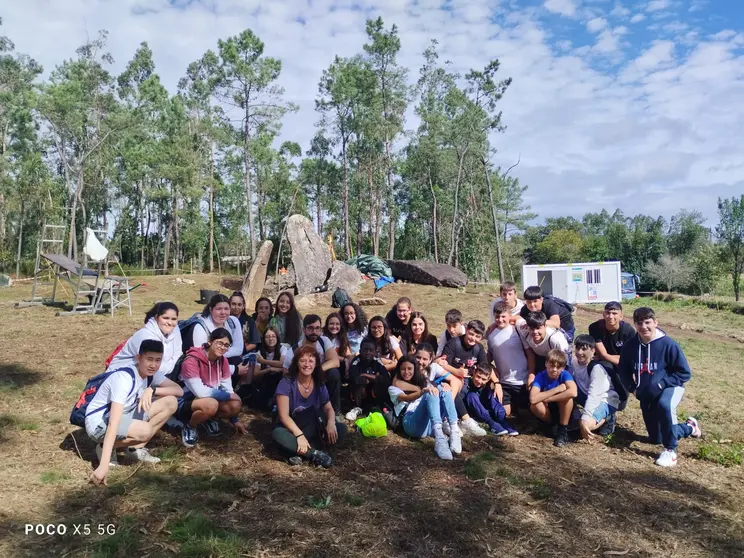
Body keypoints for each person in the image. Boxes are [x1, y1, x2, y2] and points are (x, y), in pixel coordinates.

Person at [87, 340, 182, 485]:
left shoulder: (151, 374)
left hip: (125, 414)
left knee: (171, 402)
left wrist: (152, 390)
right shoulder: (124, 379)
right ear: (138, 358)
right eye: (149, 359)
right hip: (100, 423)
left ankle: (134, 450)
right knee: (145, 431)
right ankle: (104, 448)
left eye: (158, 360)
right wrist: (103, 466)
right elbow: (113, 422)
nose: (153, 365)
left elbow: (178, 390)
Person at [618, 307, 701, 467]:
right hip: (646, 394)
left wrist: (662, 383)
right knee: (656, 438)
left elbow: (684, 373)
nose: (644, 327)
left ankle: (670, 451)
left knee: (664, 406)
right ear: (635, 325)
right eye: (639, 323)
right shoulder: (630, 346)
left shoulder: (669, 344)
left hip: (670, 387)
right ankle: (689, 428)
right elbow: (623, 370)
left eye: (648, 322)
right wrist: (632, 388)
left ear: (655, 322)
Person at [273, 345, 348, 468]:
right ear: (296, 363)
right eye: (302, 360)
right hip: (293, 428)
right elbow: (283, 417)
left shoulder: (319, 383)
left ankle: (296, 451)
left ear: (316, 364)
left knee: (341, 429)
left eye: (311, 361)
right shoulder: (286, 383)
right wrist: (299, 435)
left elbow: (328, 408)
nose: (307, 364)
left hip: (314, 427)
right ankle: (314, 453)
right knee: (278, 434)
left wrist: (331, 423)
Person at [176, 328, 247, 448]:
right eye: (219, 343)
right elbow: (200, 392)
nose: (223, 347)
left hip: (208, 399)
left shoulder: (222, 360)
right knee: (212, 404)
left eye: (226, 345)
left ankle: (207, 418)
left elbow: (227, 387)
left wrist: (234, 419)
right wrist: (229, 396)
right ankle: (190, 426)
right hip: (185, 401)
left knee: (235, 404)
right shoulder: (191, 360)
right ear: (210, 341)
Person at [388, 356, 462, 460]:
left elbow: (438, 388)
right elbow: (407, 397)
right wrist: (423, 392)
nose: (406, 372)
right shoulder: (393, 388)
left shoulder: (422, 382)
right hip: (411, 423)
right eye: (403, 369)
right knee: (430, 392)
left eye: (409, 369)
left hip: (428, 425)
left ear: (415, 369)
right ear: (398, 371)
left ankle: (454, 431)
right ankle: (439, 439)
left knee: (443, 388)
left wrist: (446, 386)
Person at [416, 343, 486, 437]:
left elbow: (455, 380)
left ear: (430, 360)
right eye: (418, 357)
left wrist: (448, 397)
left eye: (425, 359)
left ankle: (464, 420)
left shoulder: (433, 367)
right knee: (440, 387)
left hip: (432, 403)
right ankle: (448, 420)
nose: (420, 361)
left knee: (447, 388)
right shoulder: (410, 368)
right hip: (417, 407)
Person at [106, 302, 183, 382]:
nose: (170, 323)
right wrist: (172, 364)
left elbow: (177, 353)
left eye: (174, 319)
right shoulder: (146, 337)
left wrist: (169, 364)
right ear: (157, 318)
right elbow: (153, 367)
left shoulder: (175, 329)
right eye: (165, 318)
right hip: (124, 377)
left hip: (151, 376)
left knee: (177, 390)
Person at [282, 315, 342, 415]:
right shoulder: (294, 350)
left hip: (320, 376)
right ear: (304, 330)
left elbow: (335, 361)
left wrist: (316, 371)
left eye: (317, 328)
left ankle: (335, 412)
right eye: (310, 328)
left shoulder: (324, 341)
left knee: (333, 373)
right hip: (302, 380)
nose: (314, 332)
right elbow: (286, 373)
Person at [487, 301, 534, 417]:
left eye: (503, 316)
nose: (500, 319)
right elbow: (490, 355)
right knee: (504, 413)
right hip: (504, 382)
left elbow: (530, 354)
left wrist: (531, 374)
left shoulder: (517, 331)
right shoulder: (491, 335)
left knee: (525, 414)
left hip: (521, 380)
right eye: (497, 317)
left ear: (509, 316)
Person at [570, 335, 620, 441]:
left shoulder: (597, 369)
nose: (579, 352)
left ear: (593, 351)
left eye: (584, 349)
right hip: (584, 395)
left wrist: (584, 419)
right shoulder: (572, 362)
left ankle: (609, 417)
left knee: (586, 425)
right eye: (577, 348)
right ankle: (576, 418)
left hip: (604, 400)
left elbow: (594, 395)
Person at [529, 348, 577, 447]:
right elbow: (533, 399)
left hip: (562, 409)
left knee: (568, 398)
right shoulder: (541, 376)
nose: (554, 369)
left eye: (558, 367)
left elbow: (573, 392)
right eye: (551, 365)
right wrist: (557, 389)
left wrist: (548, 398)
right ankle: (550, 424)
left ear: (563, 368)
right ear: (546, 363)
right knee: (535, 405)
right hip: (548, 409)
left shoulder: (565, 375)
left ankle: (562, 431)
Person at [238, 327, 287, 410]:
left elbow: (282, 364)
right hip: (265, 381)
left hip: (279, 380)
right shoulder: (260, 352)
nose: (271, 339)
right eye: (267, 337)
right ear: (264, 339)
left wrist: (263, 361)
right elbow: (256, 374)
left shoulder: (283, 349)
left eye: (273, 336)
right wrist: (269, 369)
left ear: (277, 338)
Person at [192, 294, 245, 369]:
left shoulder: (233, 322)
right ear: (211, 309)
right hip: (206, 366)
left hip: (224, 361)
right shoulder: (201, 327)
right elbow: (203, 356)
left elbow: (238, 349)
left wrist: (216, 352)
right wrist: (234, 370)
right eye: (219, 309)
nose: (223, 312)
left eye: (226, 309)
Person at [464, 366, 518, 436]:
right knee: (471, 395)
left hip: (489, 410)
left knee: (493, 394)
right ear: (474, 373)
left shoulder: (489, 384)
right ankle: (492, 424)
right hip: (477, 412)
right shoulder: (466, 382)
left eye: (483, 379)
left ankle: (503, 421)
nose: (480, 381)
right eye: (478, 377)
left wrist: (496, 385)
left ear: (488, 379)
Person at [345, 339, 391, 421]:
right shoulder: (356, 361)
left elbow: (386, 378)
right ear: (360, 351)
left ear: (375, 352)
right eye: (365, 350)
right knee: (358, 383)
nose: (368, 353)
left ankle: (378, 407)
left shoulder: (377, 361)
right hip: (359, 391)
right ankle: (357, 407)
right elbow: (354, 378)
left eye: (371, 350)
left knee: (383, 384)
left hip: (372, 391)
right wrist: (374, 377)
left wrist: (366, 375)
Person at [518, 312, 570, 378]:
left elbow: (563, 361)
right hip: (540, 355)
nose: (535, 332)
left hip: (560, 356)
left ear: (545, 326)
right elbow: (517, 318)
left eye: (538, 328)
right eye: (531, 328)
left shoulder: (555, 340)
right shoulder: (523, 329)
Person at [588, 301, 635, 369]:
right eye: (608, 313)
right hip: (604, 362)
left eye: (614, 313)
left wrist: (625, 363)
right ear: (603, 315)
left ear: (621, 316)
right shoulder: (595, 328)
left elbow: (630, 356)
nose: (610, 316)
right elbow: (603, 355)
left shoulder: (628, 331)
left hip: (623, 363)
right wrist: (623, 362)